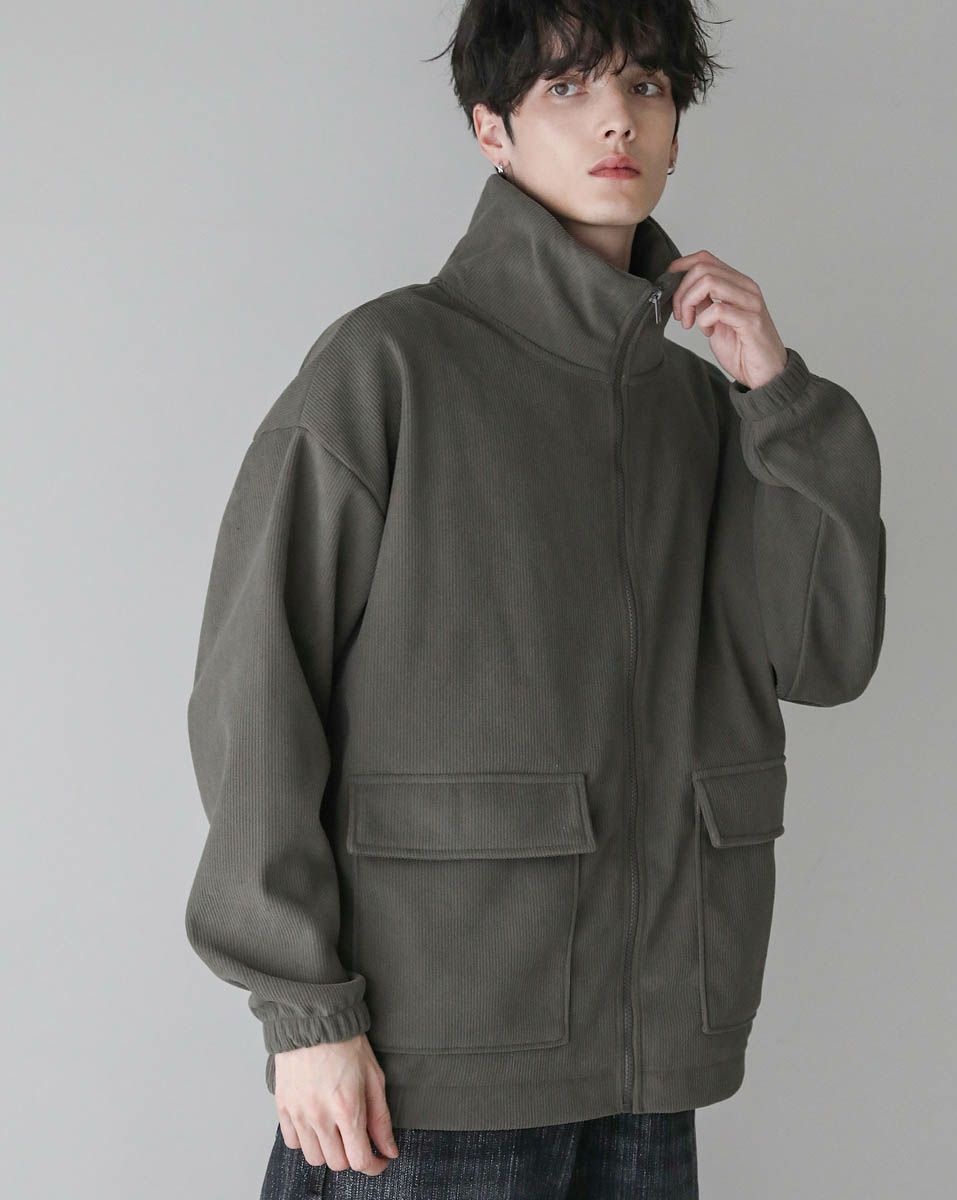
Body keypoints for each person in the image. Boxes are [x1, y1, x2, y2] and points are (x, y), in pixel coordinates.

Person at [184, 2, 887, 1196]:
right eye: (569, 87)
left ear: (675, 128)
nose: (618, 119)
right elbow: (255, 692)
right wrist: (304, 1014)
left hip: (649, 1056)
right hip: (430, 1061)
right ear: (490, 129)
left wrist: (777, 396)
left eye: (648, 86)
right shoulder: (387, 366)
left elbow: (822, 655)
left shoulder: (703, 411)